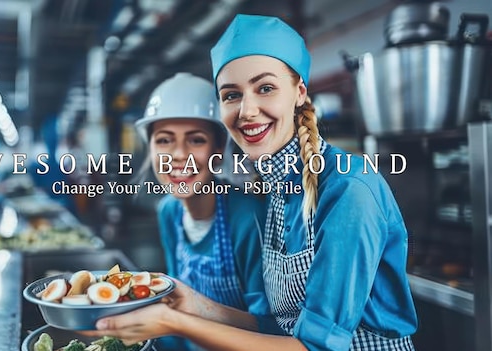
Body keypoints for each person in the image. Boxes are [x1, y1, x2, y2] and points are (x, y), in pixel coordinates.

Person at [85, 14, 418, 351]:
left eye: (265, 88)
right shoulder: (276, 192)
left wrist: (177, 323)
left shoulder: (348, 187)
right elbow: (278, 328)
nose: (246, 110)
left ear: (299, 92)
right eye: (231, 95)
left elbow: (315, 346)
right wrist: (196, 307)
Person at [133, 72, 278, 350]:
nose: (177, 154)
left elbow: (272, 328)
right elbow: (172, 303)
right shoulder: (169, 212)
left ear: (219, 147)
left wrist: (197, 311)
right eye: (164, 140)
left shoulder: (248, 215)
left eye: (196, 140)